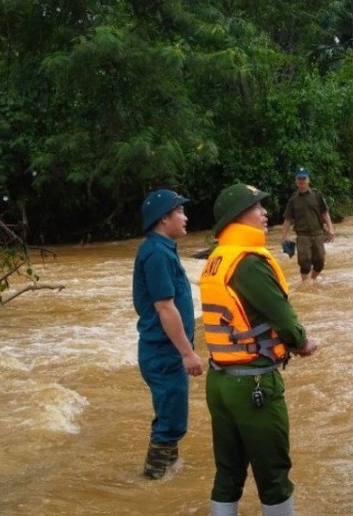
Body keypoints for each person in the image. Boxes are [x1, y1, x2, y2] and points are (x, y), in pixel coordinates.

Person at [199, 183, 318, 516]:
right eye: (257, 208)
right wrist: (302, 342)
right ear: (238, 216)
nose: (265, 213)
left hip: (220, 380)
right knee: (274, 476)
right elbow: (283, 317)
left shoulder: (217, 259)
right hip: (253, 385)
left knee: (228, 472)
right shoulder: (249, 263)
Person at [132, 189, 204, 480]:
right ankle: (152, 481)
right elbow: (164, 307)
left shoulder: (161, 249)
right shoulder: (157, 253)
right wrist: (187, 352)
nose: (186, 218)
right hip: (163, 352)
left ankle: (166, 478)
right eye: (180, 213)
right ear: (164, 218)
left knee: (170, 417)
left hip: (164, 351)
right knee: (171, 422)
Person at [281, 167, 335, 281]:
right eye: (299, 179)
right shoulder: (293, 199)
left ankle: (313, 280)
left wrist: (331, 228)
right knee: (304, 263)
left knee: (320, 262)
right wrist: (283, 237)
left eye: (304, 178)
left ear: (308, 179)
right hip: (302, 235)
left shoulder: (317, 195)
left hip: (318, 233)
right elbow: (288, 219)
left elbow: (325, 212)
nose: (302, 181)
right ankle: (305, 285)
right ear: (296, 181)